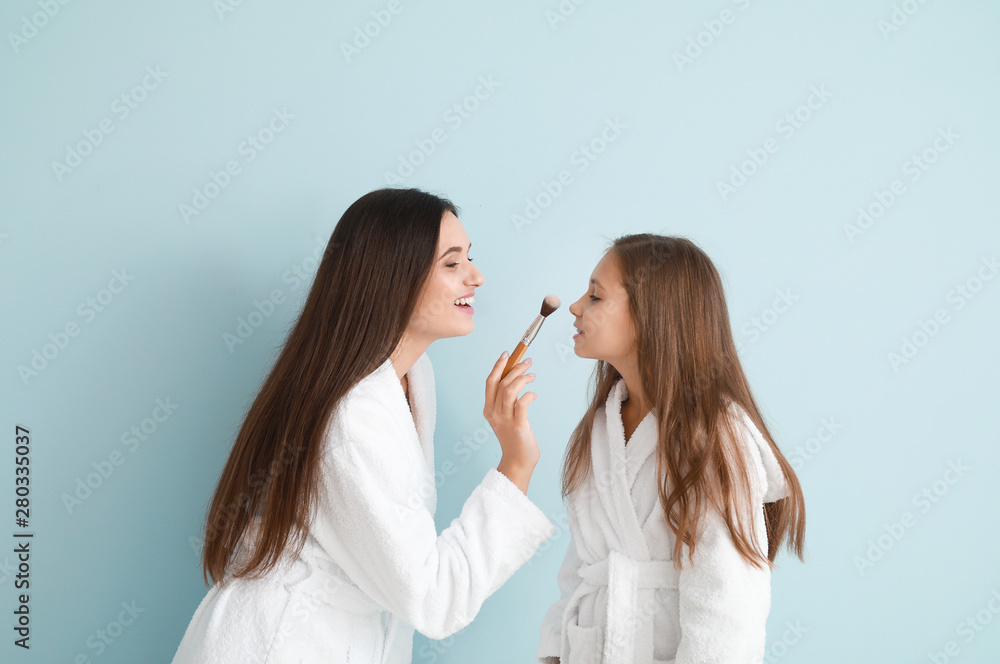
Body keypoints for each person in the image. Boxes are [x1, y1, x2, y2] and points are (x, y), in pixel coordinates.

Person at [170, 187, 554, 663]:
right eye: (452, 264)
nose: (475, 277)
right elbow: (434, 599)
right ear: (393, 277)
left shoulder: (414, 378)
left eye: (469, 259)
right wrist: (516, 465)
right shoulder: (356, 415)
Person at [536, 234, 806, 664]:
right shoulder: (601, 427)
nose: (575, 307)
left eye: (595, 295)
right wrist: (553, 652)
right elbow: (582, 568)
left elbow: (728, 602)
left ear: (650, 314)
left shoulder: (715, 435)